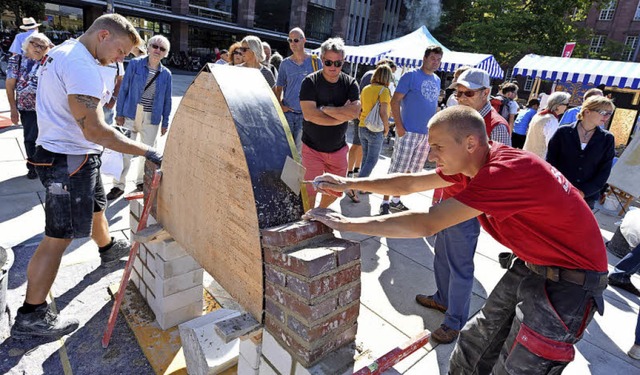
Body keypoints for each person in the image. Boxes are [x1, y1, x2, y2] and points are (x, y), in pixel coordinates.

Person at [305, 105, 608, 374]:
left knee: (520, 367)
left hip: (571, 283)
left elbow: (427, 223)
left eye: (437, 147)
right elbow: (411, 183)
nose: (430, 155)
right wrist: (348, 183)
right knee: (476, 342)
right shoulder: (472, 164)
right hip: (533, 264)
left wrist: (347, 223)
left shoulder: (504, 172)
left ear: (470, 143)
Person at [11, 14, 163, 339]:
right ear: (104, 35)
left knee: (97, 206)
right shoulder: (82, 67)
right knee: (58, 237)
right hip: (66, 159)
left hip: (74, 153)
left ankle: (107, 249)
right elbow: (94, 130)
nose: (121, 59)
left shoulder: (67, 51)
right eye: (121, 51)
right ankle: (31, 315)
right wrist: (146, 151)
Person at [415, 67, 509, 344]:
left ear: (486, 93)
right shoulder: (458, 118)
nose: (461, 97)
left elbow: (497, 174)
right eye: (458, 92)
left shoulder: (496, 125)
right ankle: (443, 299)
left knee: (460, 266)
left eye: (468, 92)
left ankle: (455, 320)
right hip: (449, 198)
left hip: (468, 206)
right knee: (442, 256)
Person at [380, 45, 443, 215]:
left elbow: (432, 105)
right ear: (424, 58)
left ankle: (396, 200)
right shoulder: (411, 76)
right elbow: (395, 101)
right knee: (396, 170)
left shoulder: (437, 80)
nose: (436, 62)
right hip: (408, 131)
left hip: (426, 134)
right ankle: (384, 203)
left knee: (411, 172)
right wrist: (399, 127)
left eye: (438, 59)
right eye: (433, 58)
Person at [299, 37, 360, 208]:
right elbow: (309, 115)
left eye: (337, 63)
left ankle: (320, 211)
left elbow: (355, 112)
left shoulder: (350, 83)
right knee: (310, 189)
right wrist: (341, 114)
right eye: (328, 62)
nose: (333, 67)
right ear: (321, 59)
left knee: (336, 190)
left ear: (343, 61)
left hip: (338, 149)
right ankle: (309, 217)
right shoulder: (310, 82)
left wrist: (325, 109)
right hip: (311, 148)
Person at [110, 34, 172, 199]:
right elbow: (124, 89)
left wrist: (165, 122)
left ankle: (140, 181)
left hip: (152, 116)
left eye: (162, 49)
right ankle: (118, 185)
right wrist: (119, 113)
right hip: (131, 112)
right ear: (149, 47)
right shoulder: (135, 64)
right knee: (124, 151)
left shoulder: (166, 74)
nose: (157, 50)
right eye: (155, 46)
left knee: (147, 152)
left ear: (166, 53)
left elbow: (167, 99)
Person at [546, 96, 615, 209]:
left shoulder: (607, 138)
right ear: (587, 111)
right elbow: (551, 163)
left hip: (587, 198)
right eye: (603, 112)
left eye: (609, 113)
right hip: (558, 191)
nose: (606, 116)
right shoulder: (563, 132)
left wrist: (583, 192)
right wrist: (561, 187)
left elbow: (604, 171)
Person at [347, 59, 397, 194]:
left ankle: (362, 186)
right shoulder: (384, 91)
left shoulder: (366, 88)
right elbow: (383, 112)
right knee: (371, 160)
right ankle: (356, 187)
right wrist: (387, 128)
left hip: (362, 126)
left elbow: (361, 108)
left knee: (366, 158)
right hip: (376, 129)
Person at [5, 32, 52, 179]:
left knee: (47, 138)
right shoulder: (17, 59)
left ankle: (46, 165)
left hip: (47, 107)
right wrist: (13, 109)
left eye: (42, 46)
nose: (38, 48)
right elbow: (9, 85)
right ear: (27, 45)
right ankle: (33, 166)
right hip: (28, 108)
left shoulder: (49, 61)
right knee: (31, 138)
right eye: (35, 44)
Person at [275, 27, 321, 154]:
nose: (292, 44)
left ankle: (297, 175)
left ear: (304, 40)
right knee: (286, 149)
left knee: (301, 152)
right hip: (288, 113)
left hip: (306, 115)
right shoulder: (285, 64)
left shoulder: (315, 62)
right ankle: (286, 174)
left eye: (296, 40)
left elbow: (322, 86)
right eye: (290, 40)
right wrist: (280, 105)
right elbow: (278, 87)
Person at [522, 91, 570, 159]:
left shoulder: (538, 115)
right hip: (540, 160)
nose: (567, 107)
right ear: (558, 105)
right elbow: (552, 145)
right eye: (566, 104)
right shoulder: (552, 120)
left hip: (527, 155)